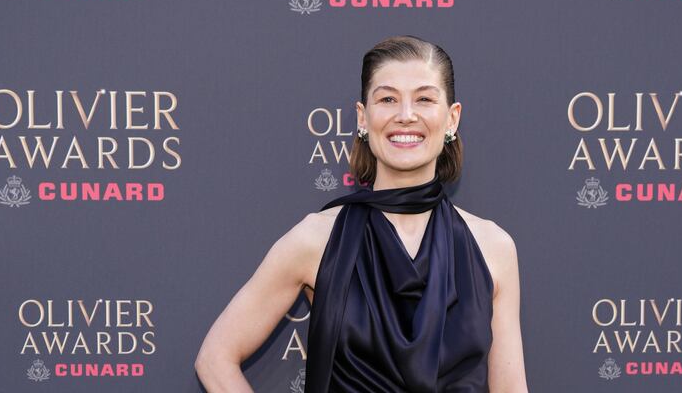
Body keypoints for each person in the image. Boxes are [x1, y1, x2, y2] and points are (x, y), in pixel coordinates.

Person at [195, 35, 528, 392]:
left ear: (451, 118)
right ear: (363, 117)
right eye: (387, 99)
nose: (405, 116)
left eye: (424, 99)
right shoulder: (317, 239)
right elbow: (215, 358)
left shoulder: (492, 247)